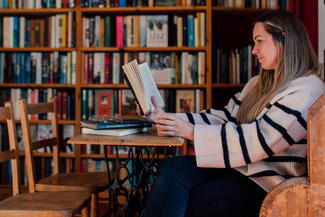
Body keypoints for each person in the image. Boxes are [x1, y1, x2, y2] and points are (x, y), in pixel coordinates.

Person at [139, 11, 325, 217]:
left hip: (268, 182)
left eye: (259, 41)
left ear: (284, 39)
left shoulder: (307, 90)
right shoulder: (258, 83)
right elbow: (225, 117)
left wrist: (192, 132)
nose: (254, 50)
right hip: (241, 167)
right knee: (174, 168)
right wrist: (166, 119)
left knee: (188, 201)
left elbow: (259, 141)